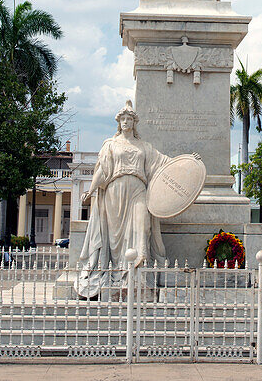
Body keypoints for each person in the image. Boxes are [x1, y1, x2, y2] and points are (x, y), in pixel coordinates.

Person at [74, 101, 198, 299]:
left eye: (129, 119)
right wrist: (90, 191)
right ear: (118, 122)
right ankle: (119, 275)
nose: (125, 122)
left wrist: (188, 161)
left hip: (138, 189)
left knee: (143, 228)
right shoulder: (110, 144)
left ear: (134, 122)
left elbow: (165, 163)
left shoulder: (144, 146)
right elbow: (102, 170)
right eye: (123, 119)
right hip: (115, 191)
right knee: (116, 239)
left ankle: (139, 278)